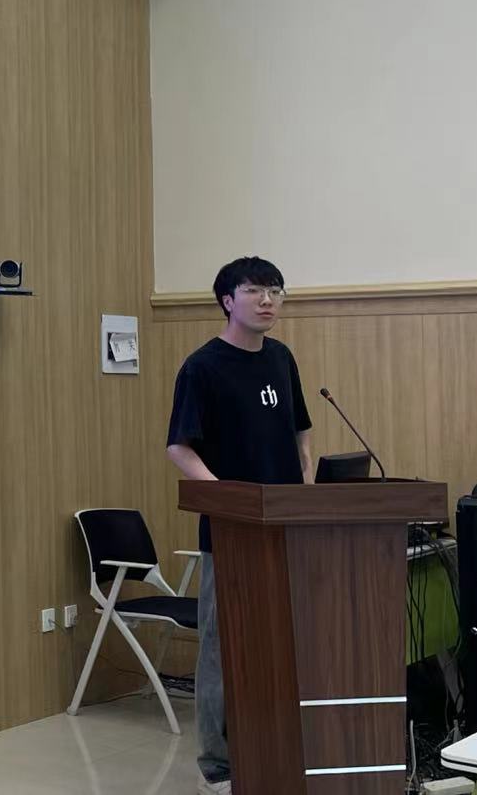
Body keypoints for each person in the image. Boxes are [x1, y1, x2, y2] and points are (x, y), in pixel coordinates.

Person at [166, 257, 313, 795]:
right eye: (254, 290)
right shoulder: (202, 367)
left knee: (284, 641)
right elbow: (179, 447)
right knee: (221, 647)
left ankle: (277, 747)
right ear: (228, 301)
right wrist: (227, 497)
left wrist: (305, 485)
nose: (268, 300)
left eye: (275, 290)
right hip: (230, 532)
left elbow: (300, 433)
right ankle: (217, 764)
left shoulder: (281, 358)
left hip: (286, 528)